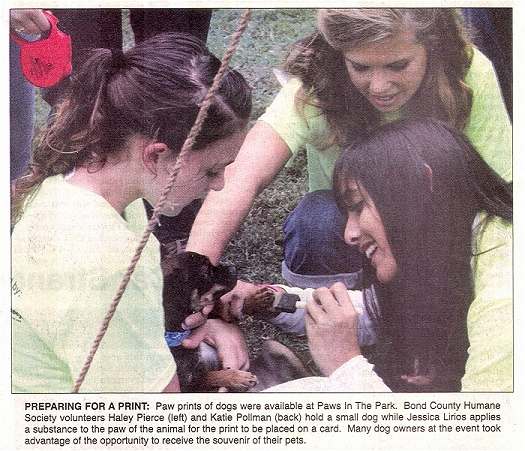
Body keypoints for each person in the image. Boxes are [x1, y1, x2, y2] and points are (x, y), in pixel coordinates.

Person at [186, 8, 511, 308]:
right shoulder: (315, 83)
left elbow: (499, 194)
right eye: (361, 67)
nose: (380, 86)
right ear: (339, 54)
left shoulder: (465, 71)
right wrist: (194, 278)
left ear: (431, 45)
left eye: (398, 65)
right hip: (348, 232)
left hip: (436, 229)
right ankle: (340, 308)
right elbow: (244, 175)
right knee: (316, 220)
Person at [11, 33, 251, 393]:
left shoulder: (72, 186)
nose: (217, 186)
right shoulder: (109, 261)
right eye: (212, 170)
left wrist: (173, 332)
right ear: (155, 156)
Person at [260, 119, 511, 392]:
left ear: (421, 185)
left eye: (358, 207)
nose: (349, 234)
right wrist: (270, 301)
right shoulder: (459, 237)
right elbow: (375, 312)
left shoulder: (504, 294)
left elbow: (481, 433)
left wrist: (345, 365)